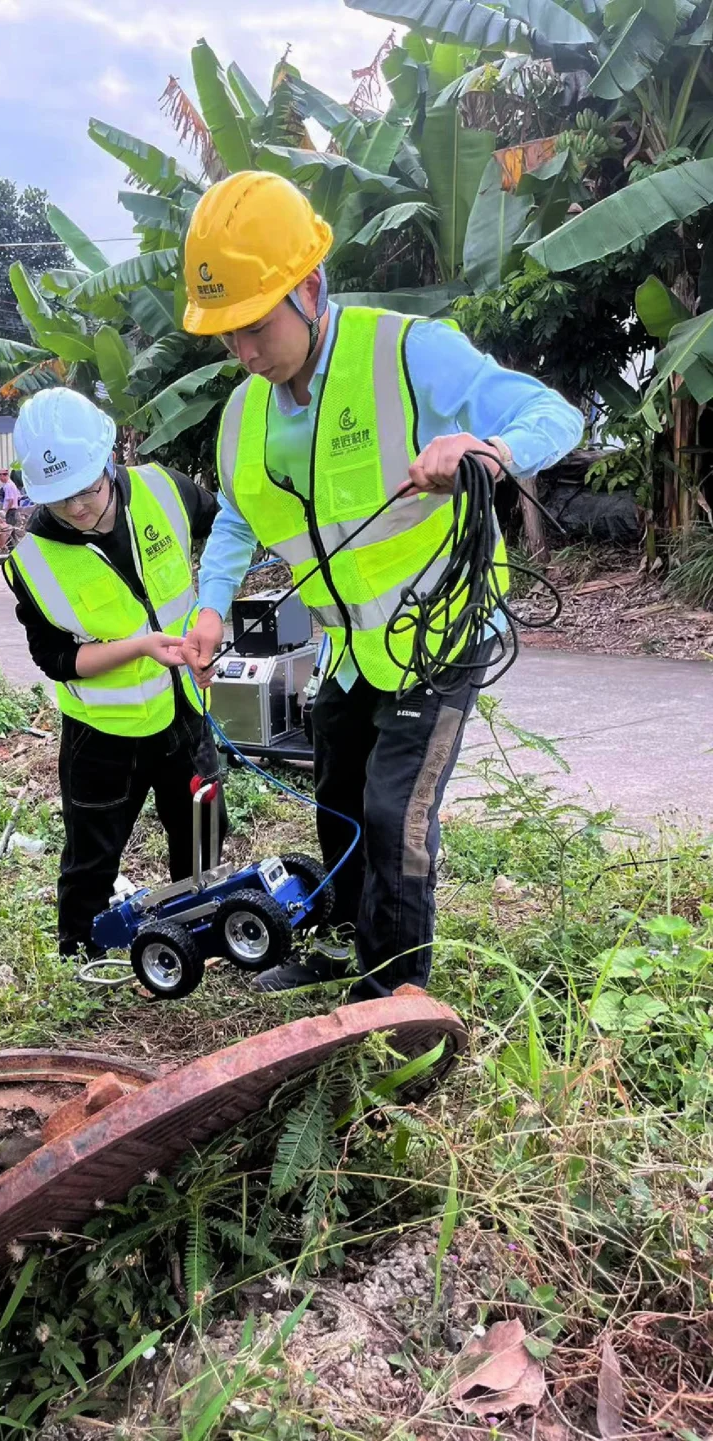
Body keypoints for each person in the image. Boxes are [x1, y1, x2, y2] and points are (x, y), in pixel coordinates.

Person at [178, 171, 584, 997]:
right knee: (337, 795)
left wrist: (485, 450)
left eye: (255, 328)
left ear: (309, 286)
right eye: (227, 338)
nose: (245, 354)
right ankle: (338, 944)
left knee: (396, 815)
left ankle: (393, 1002)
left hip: (441, 634)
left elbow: (554, 415)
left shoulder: (406, 351)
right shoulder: (244, 413)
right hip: (353, 650)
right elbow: (234, 517)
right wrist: (210, 609)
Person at [3, 387, 225, 959]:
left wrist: (211, 614)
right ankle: (79, 956)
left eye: (87, 491)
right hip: (103, 737)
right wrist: (140, 647)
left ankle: (195, 932)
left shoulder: (163, 489)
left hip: (185, 715)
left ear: (108, 461)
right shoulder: (31, 560)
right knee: (92, 855)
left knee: (203, 833)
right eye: (59, 500)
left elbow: (228, 531)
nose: (77, 509)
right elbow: (56, 660)